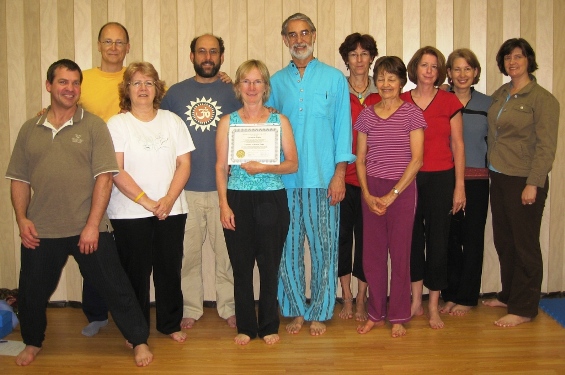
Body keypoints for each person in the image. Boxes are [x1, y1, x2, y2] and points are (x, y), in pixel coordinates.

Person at [6, 59, 153, 367]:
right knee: (32, 292)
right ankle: (32, 342)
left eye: (75, 83)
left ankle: (138, 340)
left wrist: (92, 225)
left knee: (117, 287)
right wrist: (22, 219)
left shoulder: (93, 126)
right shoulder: (29, 129)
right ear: (49, 86)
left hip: (89, 228)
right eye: (63, 82)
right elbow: (19, 179)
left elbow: (104, 178)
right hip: (42, 229)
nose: (70, 89)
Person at [267, 13, 354, 336]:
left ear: (314, 36)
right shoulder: (275, 81)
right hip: (285, 181)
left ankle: (319, 309)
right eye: (292, 34)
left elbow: (343, 128)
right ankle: (294, 309)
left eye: (305, 33)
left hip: (323, 179)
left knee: (324, 248)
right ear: (285, 39)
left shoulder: (333, 79)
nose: (299, 39)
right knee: (286, 249)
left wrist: (340, 174)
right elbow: (267, 125)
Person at [106, 62, 194, 342]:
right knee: (135, 274)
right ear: (127, 90)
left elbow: (184, 163)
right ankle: (137, 330)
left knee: (170, 270)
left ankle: (169, 324)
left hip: (172, 209)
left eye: (148, 82)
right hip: (129, 212)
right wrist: (147, 202)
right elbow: (116, 169)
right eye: (136, 83)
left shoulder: (172, 120)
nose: (143, 88)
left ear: (157, 88)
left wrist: (167, 200)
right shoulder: (117, 124)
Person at [216, 60, 298, 345]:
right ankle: (246, 327)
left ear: (266, 87)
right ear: (238, 87)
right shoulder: (228, 122)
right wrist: (224, 205)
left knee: (269, 265)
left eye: (257, 81)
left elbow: (292, 164)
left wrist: (265, 168)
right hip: (237, 198)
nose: (252, 88)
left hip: (272, 199)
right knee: (240, 267)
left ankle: (268, 325)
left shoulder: (279, 122)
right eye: (246, 82)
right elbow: (219, 167)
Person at [161, 34, 240, 329]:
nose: (208, 56)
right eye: (202, 51)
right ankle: (190, 308)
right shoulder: (174, 94)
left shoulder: (234, 91)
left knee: (227, 255)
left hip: (226, 189)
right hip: (185, 189)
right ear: (192, 55)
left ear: (221, 55)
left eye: (214, 51)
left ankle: (229, 306)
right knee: (188, 255)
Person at [483, 38, 559, 327]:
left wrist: (533, 183)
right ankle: (509, 295)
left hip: (525, 179)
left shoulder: (543, 99)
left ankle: (525, 308)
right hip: (500, 175)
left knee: (524, 243)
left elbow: (546, 148)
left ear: (529, 60)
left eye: (518, 57)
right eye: (507, 58)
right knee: (505, 241)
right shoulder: (501, 94)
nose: (512, 62)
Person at [354, 56, 426, 338]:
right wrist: (369, 195)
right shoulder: (367, 115)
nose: (385, 84)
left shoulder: (412, 114)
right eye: (381, 78)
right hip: (371, 187)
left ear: (401, 82)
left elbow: (417, 159)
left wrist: (393, 194)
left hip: (403, 189)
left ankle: (398, 315)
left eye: (391, 78)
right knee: (372, 256)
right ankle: (375, 313)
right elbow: (360, 159)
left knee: (399, 254)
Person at [402, 46, 465, 329]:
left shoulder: (449, 102)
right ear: (415, 69)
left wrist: (459, 186)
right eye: (424, 65)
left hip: (441, 177)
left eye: (434, 66)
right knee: (412, 241)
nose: (428, 70)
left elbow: (458, 146)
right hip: (409, 178)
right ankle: (415, 299)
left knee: (438, 241)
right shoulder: (401, 101)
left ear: (440, 72)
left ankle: (433, 304)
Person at [79, 21, 130, 338]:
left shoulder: (136, 78)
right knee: (92, 242)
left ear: (128, 47)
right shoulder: (82, 79)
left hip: (129, 175)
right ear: (99, 45)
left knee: (125, 246)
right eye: (108, 41)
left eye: (119, 42)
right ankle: (96, 313)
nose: (113, 47)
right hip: (91, 174)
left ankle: (129, 312)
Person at [440, 49, 492, 316]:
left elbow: (494, 144)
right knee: (449, 239)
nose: (462, 75)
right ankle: (450, 294)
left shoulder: (488, 104)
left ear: (475, 73)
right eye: (456, 69)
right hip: (445, 178)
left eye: (467, 69)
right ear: (448, 72)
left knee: (472, 239)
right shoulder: (440, 100)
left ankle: (468, 297)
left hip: (477, 181)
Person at [336, 33, 380, 322]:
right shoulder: (337, 89)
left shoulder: (386, 90)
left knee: (368, 242)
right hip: (342, 178)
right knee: (342, 240)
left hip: (373, 180)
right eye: (354, 54)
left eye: (365, 54)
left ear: (372, 58)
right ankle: (347, 296)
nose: (360, 59)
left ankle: (363, 297)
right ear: (346, 59)